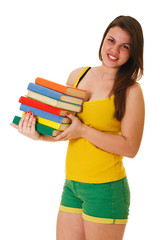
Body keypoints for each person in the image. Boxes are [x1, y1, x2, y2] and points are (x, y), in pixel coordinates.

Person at [11, 15, 145, 240]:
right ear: (103, 40)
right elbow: (66, 129)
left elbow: (131, 148)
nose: (114, 50)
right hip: (72, 186)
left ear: (133, 52)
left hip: (106, 190)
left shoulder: (131, 91)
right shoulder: (78, 75)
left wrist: (84, 131)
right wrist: (37, 135)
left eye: (125, 46)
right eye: (111, 40)